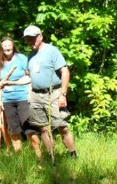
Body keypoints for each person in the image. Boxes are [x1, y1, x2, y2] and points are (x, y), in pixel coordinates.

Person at [22, 25, 77, 162]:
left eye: (32, 38)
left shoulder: (52, 51)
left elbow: (65, 71)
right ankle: (51, 159)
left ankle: (73, 155)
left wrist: (63, 94)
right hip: (36, 95)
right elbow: (30, 76)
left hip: (53, 93)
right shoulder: (31, 55)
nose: (30, 41)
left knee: (61, 126)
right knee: (43, 129)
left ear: (40, 37)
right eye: (27, 39)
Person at [0, 37, 30, 153]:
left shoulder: (21, 59)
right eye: (4, 46)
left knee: (28, 125)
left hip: (23, 97)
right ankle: (18, 154)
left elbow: (29, 77)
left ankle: (37, 153)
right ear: (1, 48)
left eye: (9, 45)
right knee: (13, 128)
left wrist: (30, 93)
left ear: (13, 46)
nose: (7, 47)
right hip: (7, 99)